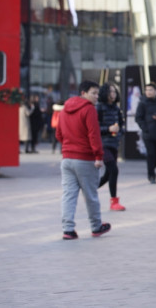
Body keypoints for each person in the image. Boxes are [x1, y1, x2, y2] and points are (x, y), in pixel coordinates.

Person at [57, 80, 111, 240]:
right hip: (85, 159)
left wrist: (69, 146)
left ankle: (68, 229)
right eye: (93, 93)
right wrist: (98, 156)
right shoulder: (89, 110)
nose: (96, 96)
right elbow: (93, 135)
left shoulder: (65, 109)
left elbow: (58, 134)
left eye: (97, 93)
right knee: (90, 195)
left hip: (67, 159)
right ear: (83, 93)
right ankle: (96, 226)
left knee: (68, 195)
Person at [97, 83, 126, 211]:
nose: (113, 94)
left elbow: (121, 125)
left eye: (114, 92)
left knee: (108, 174)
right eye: (110, 92)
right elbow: (94, 129)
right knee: (114, 170)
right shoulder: (98, 108)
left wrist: (119, 132)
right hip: (103, 145)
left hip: (114, 144)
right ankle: (114, 201)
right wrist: (108, 129)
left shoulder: (116, 108)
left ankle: (89, 189)